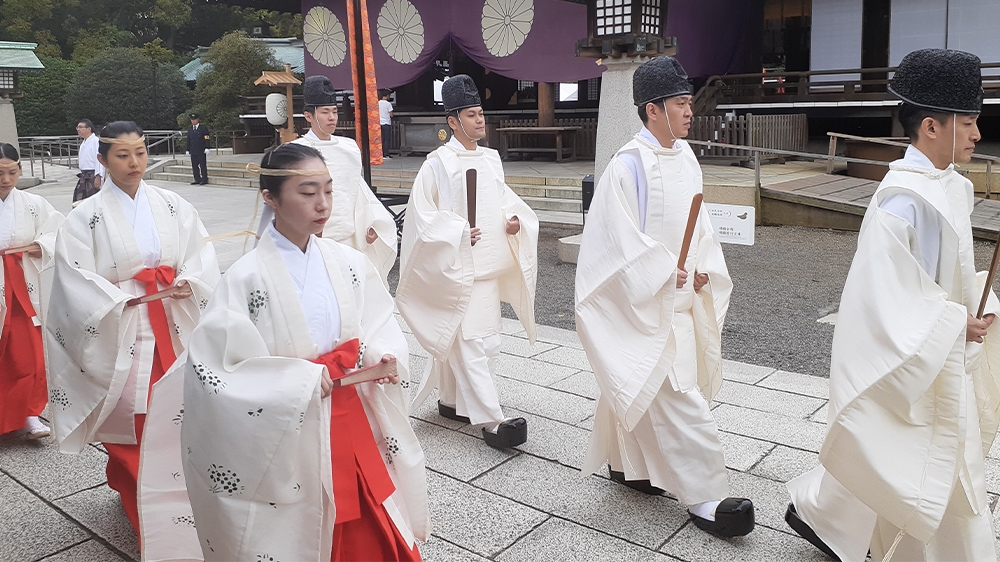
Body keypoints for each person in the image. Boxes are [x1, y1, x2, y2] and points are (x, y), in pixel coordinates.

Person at [145, 143, 427, 561]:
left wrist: (380, 354)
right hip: (290, 427)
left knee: (373, 522)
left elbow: (376, 319)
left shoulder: (348, 261)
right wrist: (298, 382)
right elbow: (218, 372)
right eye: (307, 192)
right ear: (270, 198)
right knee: (305, 527)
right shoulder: (245, 278)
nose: (322, 204)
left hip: (351, 413)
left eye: (328, 191)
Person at [785, 49, 1000, 562]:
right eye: (968, 123)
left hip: (937, 343)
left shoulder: (950, 185)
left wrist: (976, 300)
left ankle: (821, 512)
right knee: (927, 453)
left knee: (896, 450)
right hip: (922, 347)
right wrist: (953, 322)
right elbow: (888, 300)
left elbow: (939, 278)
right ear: (932, 126)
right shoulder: (902, 200)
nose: (976, 134)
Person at [574, 56, 754, 538]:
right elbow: (616, 243)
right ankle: (706, 496)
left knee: (637, 382)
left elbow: (700, 229)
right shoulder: (627, 166)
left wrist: (701, 270)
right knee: (679, 396)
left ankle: (626, 464)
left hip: (680, 297)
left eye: (689, 102)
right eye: (680, 103)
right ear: (653, 110)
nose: (689, 111)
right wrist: (659, 273)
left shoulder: (687, 157)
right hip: (645, 302)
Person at [45, 121, 220, 536]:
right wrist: (121, 300)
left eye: (140, 152)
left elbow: (201, 252)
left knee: (180, 407)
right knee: (131, 414)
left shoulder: (172, 204)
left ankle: (176, 488)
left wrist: (189, 280)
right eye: (122, 155)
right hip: (122, 325)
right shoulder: (83, 217)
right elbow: (72, 280)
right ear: (102, 160)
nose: (134, 162)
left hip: (172, 320)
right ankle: (139, 487)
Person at [398, 74, 538, 449]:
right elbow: (422, 217)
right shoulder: (437, 165)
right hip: (457, 269)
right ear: (452, 121)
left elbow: (506, 201)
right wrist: (456, 233)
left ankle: (452, 401)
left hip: (489, 266)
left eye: (481, 114)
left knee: (487, 342)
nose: (481, 121)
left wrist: (513, 221)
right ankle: (493, 421)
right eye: (472, 115)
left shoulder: (491, 160)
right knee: (473, 343)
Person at [289, 76, 398, 286]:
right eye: (324, 112)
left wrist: (373, 221)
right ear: (308, 116)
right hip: (312, 239)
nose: (332, 118)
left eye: (334, 112)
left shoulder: (348, 147)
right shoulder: (295, 152)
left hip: (349, 239)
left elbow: (358, 190)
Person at [0, 143, 64, 440]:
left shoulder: (32, 203)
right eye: (0, 173)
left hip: (21, 285)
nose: (6, 179)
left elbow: (57, 231)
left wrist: (40, 245)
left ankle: (28, 413)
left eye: (12, 172)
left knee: (26, 354)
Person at [74, 119, 104, 202]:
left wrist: (98, 176)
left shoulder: (95, 141)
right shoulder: (83, 143)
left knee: (92, 201)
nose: (78, 129)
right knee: (80, 201)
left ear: (89, 129)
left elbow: (99, 160)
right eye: (77, 127)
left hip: (92, 176)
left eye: (80, 127)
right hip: (84, 175)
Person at [187, 113, 210, 185]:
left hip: (201, 150)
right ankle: (197, 179)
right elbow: (188, 140)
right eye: (192, 120)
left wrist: (207, 147)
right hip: (193, 150)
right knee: (194, 165)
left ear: (197, 120)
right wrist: (187, 149)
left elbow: (207, 138)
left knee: (202, 165)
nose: (193, 121)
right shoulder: (190, 129)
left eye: (194, 120)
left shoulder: (203, 128)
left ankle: (204, 179)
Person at [379, 89, 394, 158]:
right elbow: (391, 114)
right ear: (387, 96)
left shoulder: (378, 103)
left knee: (381, 138)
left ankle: (380, 153)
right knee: (386, 139)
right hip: (386, 123)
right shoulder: (388, 104)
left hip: (379, 123)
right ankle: (386, 154)